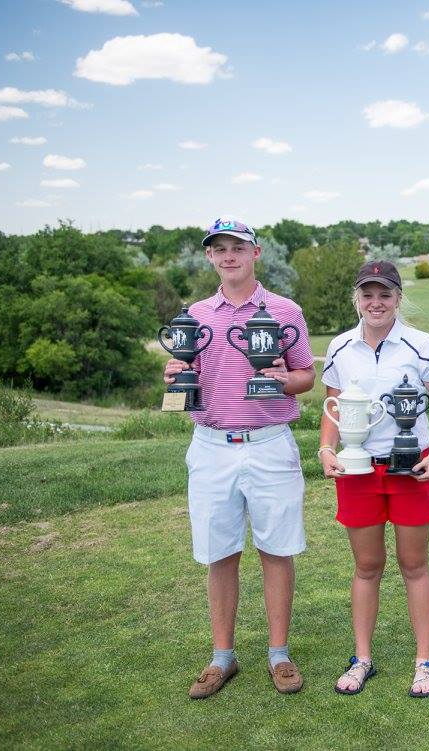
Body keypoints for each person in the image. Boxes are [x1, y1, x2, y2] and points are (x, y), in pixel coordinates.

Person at [163, 217, 316, 699]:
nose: (229, 255)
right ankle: (222, 658)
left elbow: (306, 376)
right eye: (220, 248)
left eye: (238, 247)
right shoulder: (194, 315)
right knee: (220, 552)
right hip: (211, 446)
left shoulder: (285, 310)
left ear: (256, 253)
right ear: (210, 256)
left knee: (277, 549)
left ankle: (279, 654)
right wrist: (174, 375)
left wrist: (282, 380)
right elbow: (187, 375)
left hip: (269, 443)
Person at [319, 260, 429, 698]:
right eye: (368, 294)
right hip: (357, 470)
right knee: (366, 566)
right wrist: (326, 449)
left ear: (398, 298)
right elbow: (333, 407)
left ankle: (424, 661)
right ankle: (362, 658)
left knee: (414, 564)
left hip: (411, 468)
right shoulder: (340, 346)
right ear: (357, 299)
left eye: (385, 294)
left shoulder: (420, 343)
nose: (376, 302)